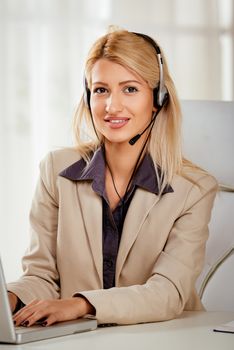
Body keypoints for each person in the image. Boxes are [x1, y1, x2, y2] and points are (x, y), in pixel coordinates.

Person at [8, 27, 218, 327]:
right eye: (101, 90)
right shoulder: (55, 170)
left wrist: (81, 305)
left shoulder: (194, 190)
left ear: (158, 98)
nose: (112, 106)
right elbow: (41, 276)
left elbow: (168, 293)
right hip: (83, 342)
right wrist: (11, 298)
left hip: (165, 339)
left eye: (130, 89)